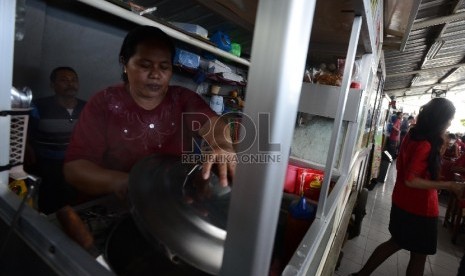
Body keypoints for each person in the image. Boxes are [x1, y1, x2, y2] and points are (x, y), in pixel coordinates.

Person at [63, 26, 236, 201]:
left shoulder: (182, 99)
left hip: (171, 201)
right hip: (113, 205)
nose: (155, 74)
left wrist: (222, 145)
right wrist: (130, 183)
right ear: (125, 64)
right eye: (145, 65)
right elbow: (75, 168)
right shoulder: (104, 102)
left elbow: (213, 124)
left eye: (164, 67)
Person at [350, 98, 464, 276]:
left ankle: (361, 275)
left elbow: (408, 170)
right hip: (421, 208)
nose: (450, 123)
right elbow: (411, 179)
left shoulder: (413, 135)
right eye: (449, 119)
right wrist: (449, 185)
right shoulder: (426, 144)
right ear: (440, 119)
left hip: (402, 200)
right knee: (418, 256)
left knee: (395, 243)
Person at [28, 66, 86, 214]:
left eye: (74, 80)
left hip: (76, 165)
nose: (70, 84)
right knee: (48, 206)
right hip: (46, 166)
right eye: (64, 80)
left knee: (73, 205)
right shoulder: (38, 106)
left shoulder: (86, 107)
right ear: (52, 85)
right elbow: (24, 134)